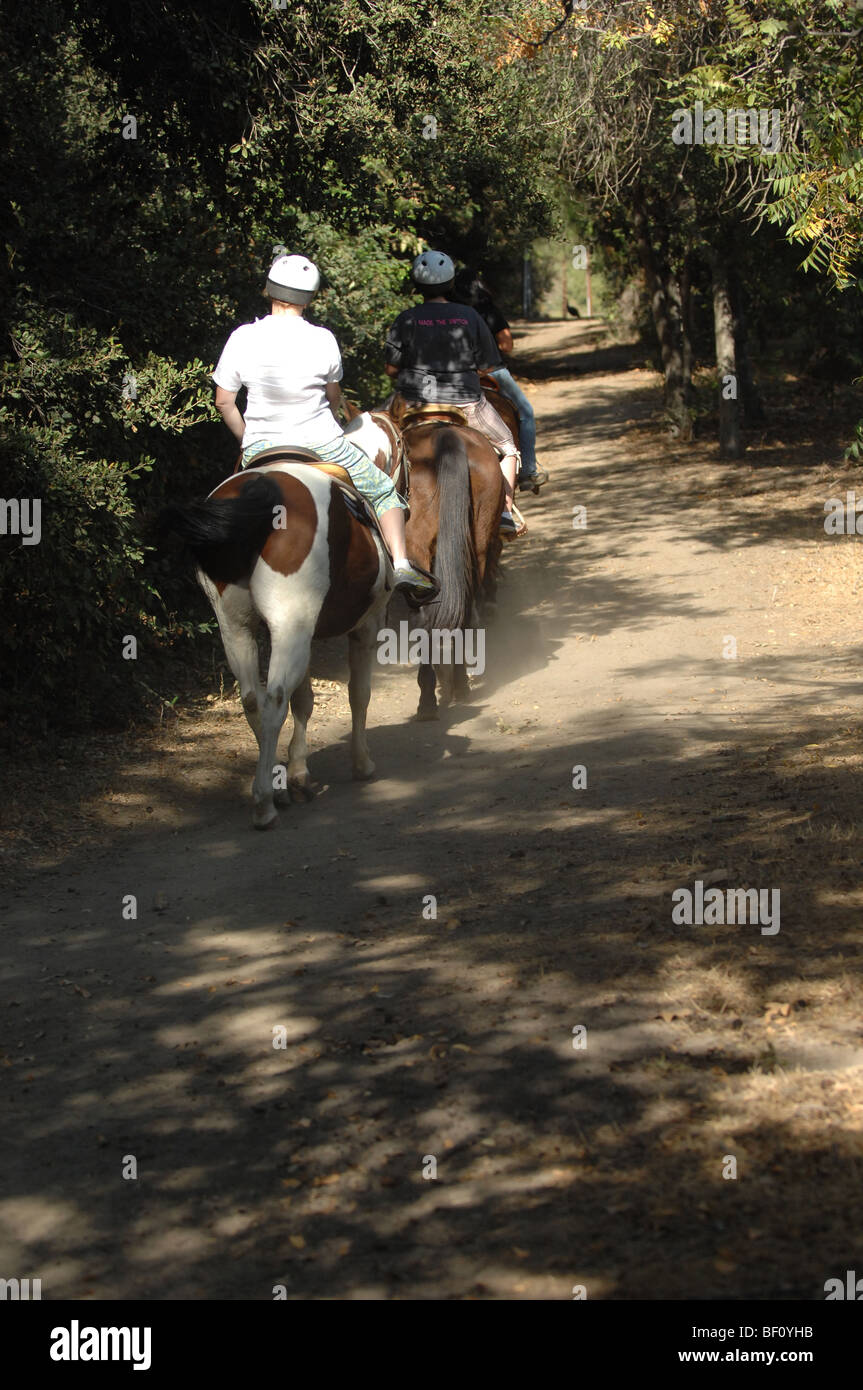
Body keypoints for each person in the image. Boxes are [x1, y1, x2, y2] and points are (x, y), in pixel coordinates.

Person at [212, 253, 437, 599]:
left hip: (260, 445)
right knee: (383, 490)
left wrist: (250, 441)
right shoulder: (323, 338)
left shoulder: (242, 336)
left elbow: (224, 402)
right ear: (310, 297)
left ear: (270, 289)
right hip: (322, 445)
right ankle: (403, 565)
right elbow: (333, 398)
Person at [384, 251, 522, 536]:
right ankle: (506, 511)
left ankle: (378, 509)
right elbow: (487, 364)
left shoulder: (406, 318)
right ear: (450, 285)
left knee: (379, 446)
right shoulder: (469, 316)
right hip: (466, 404)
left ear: (417, 286)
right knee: (508, 447)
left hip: (413, 403)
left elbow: (390, 368)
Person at [453, 268, 548, 492]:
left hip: (455, 376)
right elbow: (507, 345)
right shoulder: (488, 310)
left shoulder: (450, 312)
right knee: (525, 413)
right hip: (492, 372)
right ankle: (528, 471)